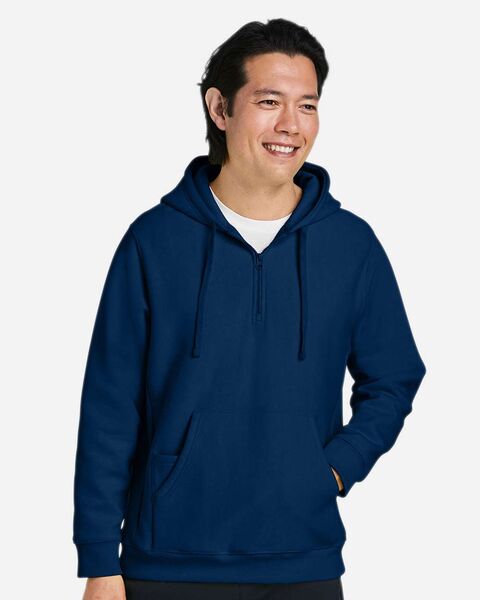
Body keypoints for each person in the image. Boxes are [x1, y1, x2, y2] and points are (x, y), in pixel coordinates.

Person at [72, 18, 426, 600]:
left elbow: (394, 377)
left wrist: (336, 467)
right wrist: (98, 559)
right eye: (269, 101)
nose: (291, 124)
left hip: (302, 562)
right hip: (165, 565)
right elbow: (110, 405)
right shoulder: (153, 241)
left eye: (307, 105)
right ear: (220, 108)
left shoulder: (350, 245)